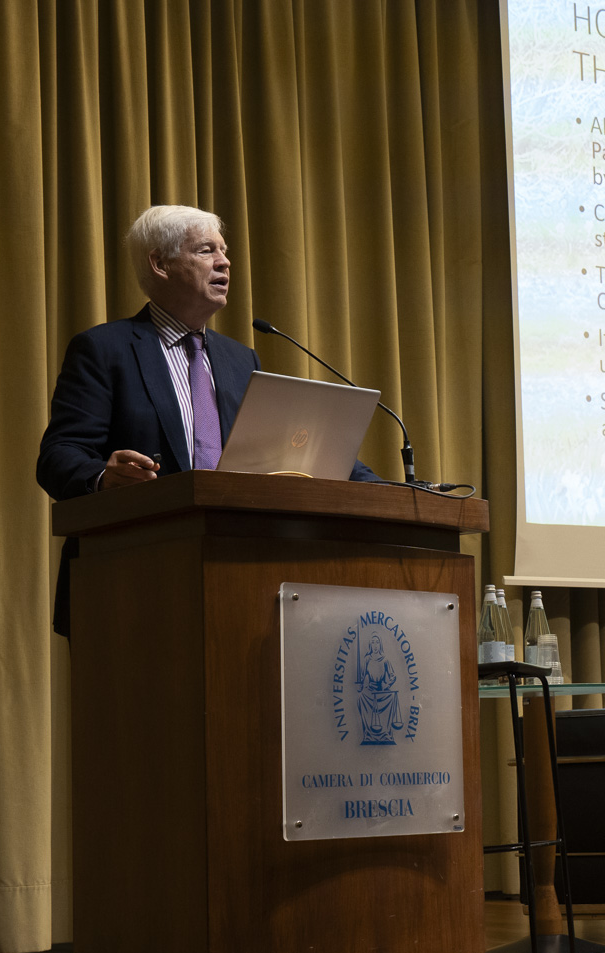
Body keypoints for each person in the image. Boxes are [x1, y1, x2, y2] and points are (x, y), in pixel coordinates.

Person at [37, 204, 378, 636]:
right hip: (131, 582)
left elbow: (289, 450)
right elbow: (59, 455)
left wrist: (390, 490)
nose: (225, 262)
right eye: (206, 250)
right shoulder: (105, 350)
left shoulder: (241, 359)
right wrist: (104, 479)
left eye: (225, 251)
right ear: (159, 264)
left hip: (238, 576)